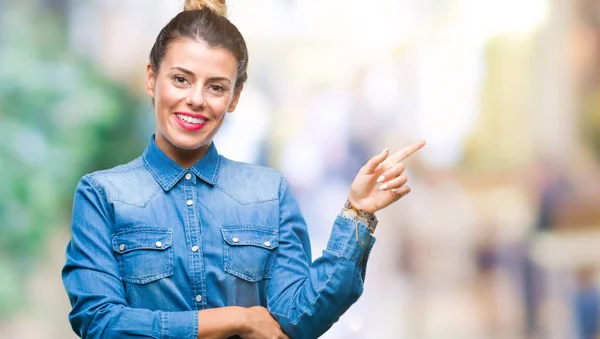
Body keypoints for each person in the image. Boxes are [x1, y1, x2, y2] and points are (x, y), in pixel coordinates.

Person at [61, 1, 425, 338]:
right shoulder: (101, 195)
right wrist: (238, 318)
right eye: (181, 79)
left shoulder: (269, 192)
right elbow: (100, 322)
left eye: (216, 87)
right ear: (152, 79)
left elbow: (299, 318)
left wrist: (358, 212)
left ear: (235, 97)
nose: (197, 99)